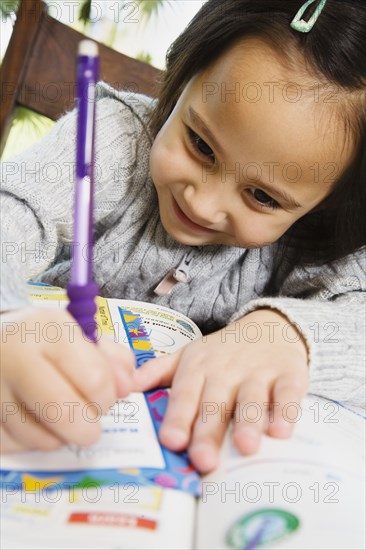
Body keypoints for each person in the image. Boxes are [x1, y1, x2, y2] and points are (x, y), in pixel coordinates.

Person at [0, 0, 365, 473]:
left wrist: (288, 334)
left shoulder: (318, 239)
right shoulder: (113, 141)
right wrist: (9, 320)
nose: (202, 202)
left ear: (331, 204)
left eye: (261, 196)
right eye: (200, 144)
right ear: (181, 80)